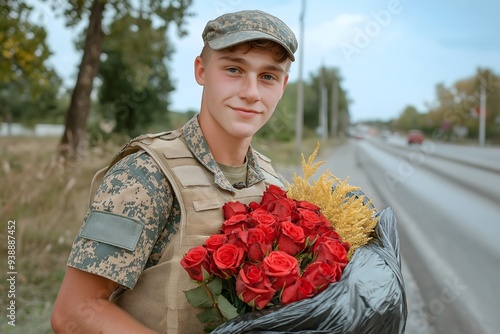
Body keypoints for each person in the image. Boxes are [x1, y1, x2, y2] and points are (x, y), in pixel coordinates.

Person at [51, 9, 298, 334]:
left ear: (283, 85)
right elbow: (75, 312)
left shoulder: (272, 181)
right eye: (234, 69)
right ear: (201, 70)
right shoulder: (145, 174)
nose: (251, 92)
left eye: (268, 76)